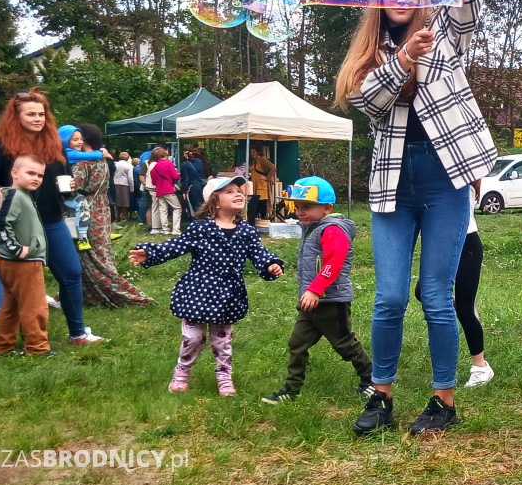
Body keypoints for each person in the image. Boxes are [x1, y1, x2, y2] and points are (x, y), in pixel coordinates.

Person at [335, 0, 495, 436]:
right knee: (389, 296)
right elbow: (369, 103)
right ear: (379, 1)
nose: (402, 0)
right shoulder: (369, 54)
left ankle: (442, 401)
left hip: (446, 177)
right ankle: (380, 396)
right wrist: (403, 61)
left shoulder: (445, 33)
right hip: (393, 183)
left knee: (435, 295)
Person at [129, 176, 284, 396]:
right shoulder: (201, 229)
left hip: (228, 296)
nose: (238, 193)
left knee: (222, 342)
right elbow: (176, 246)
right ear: (215, 202)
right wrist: (150, 252)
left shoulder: (247, 232)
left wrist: (271, 265)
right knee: (193, 338)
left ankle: (224, 378)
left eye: (239, 190)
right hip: (197, 293)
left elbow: (260, 255)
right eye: (229, 191)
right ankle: (182, 372)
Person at [0, 88, 105, 344]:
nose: (38, 118)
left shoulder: (54, 143)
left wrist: (66, 190)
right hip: (18, 223)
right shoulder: (1, 145)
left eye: (42, 114)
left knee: (71, 272)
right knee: (21, 281)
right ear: (16, 116)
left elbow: (64, 176)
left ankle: (77, 333)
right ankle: (19, 337)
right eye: (31, 114)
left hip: (53, 218)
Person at [262, 176, 373, 404]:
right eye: (298, 207)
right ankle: (291, 389)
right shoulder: (311, 228)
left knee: (345, 345)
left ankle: (371, 380)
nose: (300, 212)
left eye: (307, 207)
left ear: (327, 208)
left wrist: (315, 289)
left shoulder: (332, 230)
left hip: (332, 302)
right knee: (297, 344)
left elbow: (334, 263)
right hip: (309, 303)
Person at [414, 180, 493, 387]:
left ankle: (481, 367)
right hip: (439, 245)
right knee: (422, 292)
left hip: (466, 244)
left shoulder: (462, 184)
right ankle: (460, 304)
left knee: (465, 310)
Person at [68, 124, 153, 308]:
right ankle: (88, 295)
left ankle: (123, 293)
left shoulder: (82, 163)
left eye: (79, 138)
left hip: (86, 210)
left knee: (90, 255)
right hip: (102, 209)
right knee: (102, 253)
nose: (78, 142)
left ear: (86, 139)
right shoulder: (103, 160)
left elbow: (74, 188)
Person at [0, 154, 54, 356]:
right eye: (30, 173)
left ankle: (4, 346)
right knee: (35, 306)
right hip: (23, 262)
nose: (36, 178)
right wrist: (15, 249)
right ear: (14, 173)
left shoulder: (20, 196)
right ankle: (37, 348)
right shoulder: (15, 196)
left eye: (40, 175)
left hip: (12, 262)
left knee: (11, 306)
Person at [58, 125, 99, 251]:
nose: (80, 142)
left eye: (81, 139)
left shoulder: (71, 152)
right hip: (62, 191)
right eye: (75, 140)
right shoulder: (68, 153)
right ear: (65, 140)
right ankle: (82, 238)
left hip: (65, 191)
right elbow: (95, 156)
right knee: (81, 204)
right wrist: (101, 152)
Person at [149, 147, 182, 235]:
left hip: (159, 190)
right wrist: (180, 174)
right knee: (177, 208)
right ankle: (176, 229)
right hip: (168, 189)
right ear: (164, 155)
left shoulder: (154, 167)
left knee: (163, 210)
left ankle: (165, 229)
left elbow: (153, 181)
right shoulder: (168, 164)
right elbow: (175, 176)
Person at [249, 145, 277, 220]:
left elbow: (273, 168)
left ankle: (263, 220)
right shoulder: (254, 161)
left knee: (261, 202)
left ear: (258, 152)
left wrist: (267, 177)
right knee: (255, 203)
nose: (252, 153)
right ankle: (256, 219)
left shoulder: (262, 160)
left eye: (253, 152)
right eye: (251, 152)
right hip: (255, 184)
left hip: (261, 184)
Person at [180, 147, 205, 214]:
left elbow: (186, 178)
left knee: (195, 207)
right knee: (202, 206)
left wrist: (185, 190)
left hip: (192, 186)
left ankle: (196, 222)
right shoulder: (199, 161)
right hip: (202, 185)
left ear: (185, 153)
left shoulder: (185, 164)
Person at [113, 152, 134, 222]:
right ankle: (124, 217)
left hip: (115, 183)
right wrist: (132, 188)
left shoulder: (115, 164)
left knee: (116, 200)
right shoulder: (129, 166)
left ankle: (116, 216)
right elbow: (130, 178)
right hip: (125, 184)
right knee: (125, 201)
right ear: (128, 158)